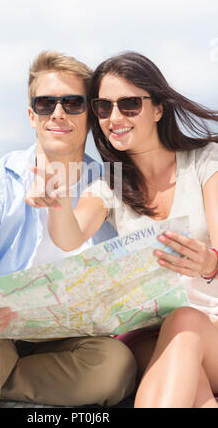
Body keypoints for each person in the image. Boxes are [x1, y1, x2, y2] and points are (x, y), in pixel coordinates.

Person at [0, 51, 137, 408]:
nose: (59, 113)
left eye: (73, 103)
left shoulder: (111, 187)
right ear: (31, 115)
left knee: (117, 365)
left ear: (90, 115)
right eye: (46, 102)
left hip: (65, 339)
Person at [29, 51, 218, 408]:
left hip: (212, 329)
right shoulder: (109, 184)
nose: (114, 117)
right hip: (151, 334)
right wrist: (57, 200)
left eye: (129, 104)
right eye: (103, 107)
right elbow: (70, 236)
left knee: (185, 321)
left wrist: (209, 262)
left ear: (158, 108)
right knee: (193, 390)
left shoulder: (206, 161)